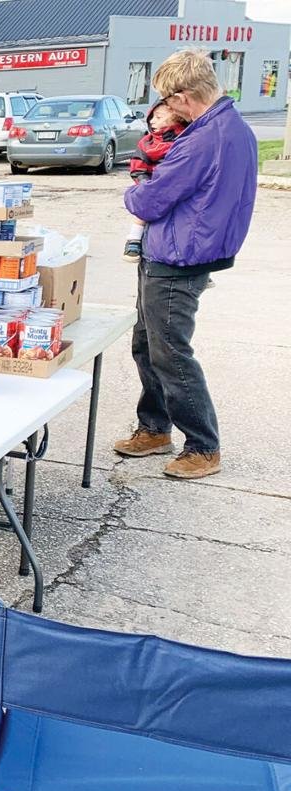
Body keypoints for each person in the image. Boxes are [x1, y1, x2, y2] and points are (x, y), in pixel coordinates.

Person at [114, 49, 256, 480]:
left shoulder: (201, 140)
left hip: (179, 257)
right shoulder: (232, 129)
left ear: (187, 94)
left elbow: (149, 199)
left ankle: (203, 445)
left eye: (170, 100)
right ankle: (155, 427)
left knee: (171, 352)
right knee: (148, 342)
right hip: (185, 249)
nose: (167, 110)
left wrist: (134, 193)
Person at [123, 100, 187, 262]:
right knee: (144, 206)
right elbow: (138, 168)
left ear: (177, 118)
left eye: (158, 117)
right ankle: (134, 238)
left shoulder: (185, 139)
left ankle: (195, 264)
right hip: (152, 185)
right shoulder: (147, 143)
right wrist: (146, 185)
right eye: (152, 117)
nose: (152, 121)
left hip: (177, 186)